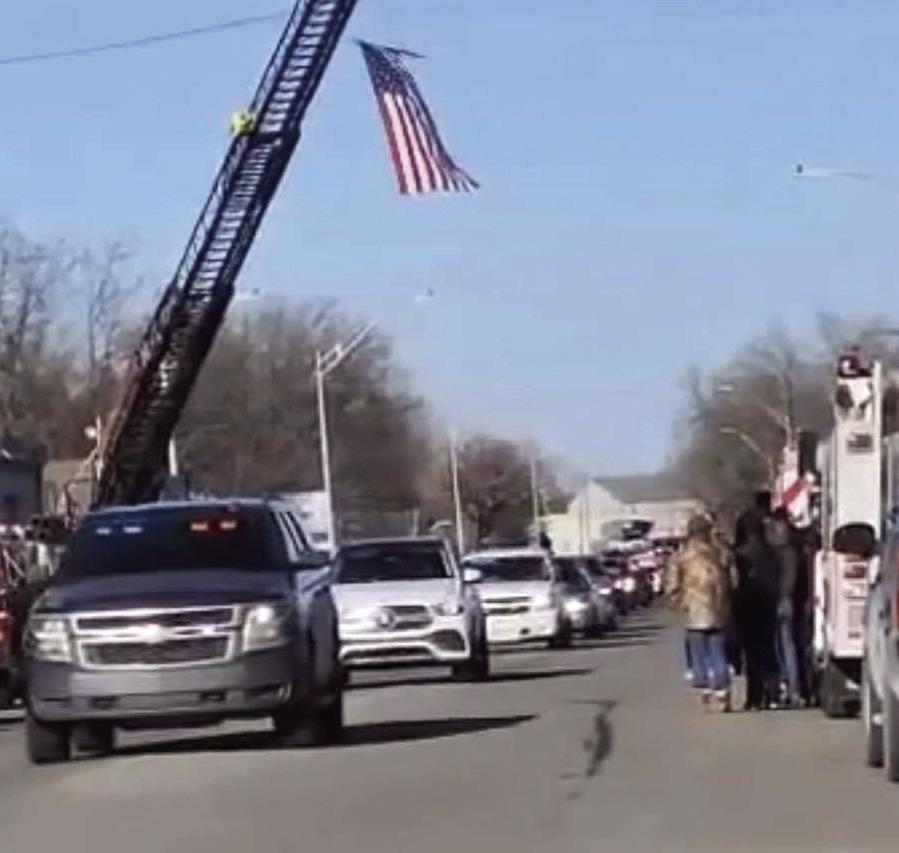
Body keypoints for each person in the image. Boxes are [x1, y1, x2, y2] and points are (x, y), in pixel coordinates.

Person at [667, 514, 735, 712]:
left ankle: (704, 691)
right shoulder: (720, 552)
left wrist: (678, 601)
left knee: (699, 653)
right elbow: (734, 579)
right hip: (718, 608)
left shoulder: (682, 555)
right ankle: (722, 692)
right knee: (718, 651)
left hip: (694, 610)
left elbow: (672, 583)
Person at [733, 508, 780, 710]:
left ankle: (754, 696)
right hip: (767, 602)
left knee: (751, 653)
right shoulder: (769, 550)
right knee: (768, 649)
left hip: (746, 603)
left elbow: (735, 581)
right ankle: (771, 693)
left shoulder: (740, 553)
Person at [766, 508, 801, 707]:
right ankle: (793, 688)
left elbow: (787, 579)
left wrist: (781, 595)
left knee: (783, 646)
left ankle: (788, 687)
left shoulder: (778, 549)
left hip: (781, 599)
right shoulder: (792, 547)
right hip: (788, 599)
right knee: (788, 645)